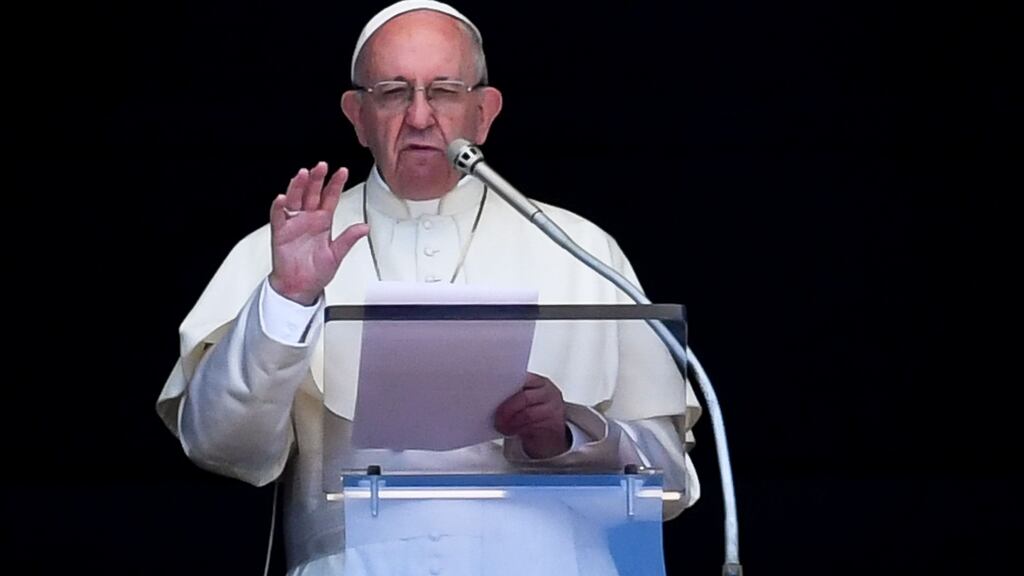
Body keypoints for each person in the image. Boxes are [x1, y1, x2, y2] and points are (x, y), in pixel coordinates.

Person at [156, 2, 703, 574]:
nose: (420, 117)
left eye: (443, 91)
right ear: (357, 116)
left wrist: (570, 434)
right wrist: (288, 300)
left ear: (484, 112)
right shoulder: (286, 249)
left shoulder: (582, 249)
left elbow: (668, 486)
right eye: (394, 91)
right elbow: (222, 449)